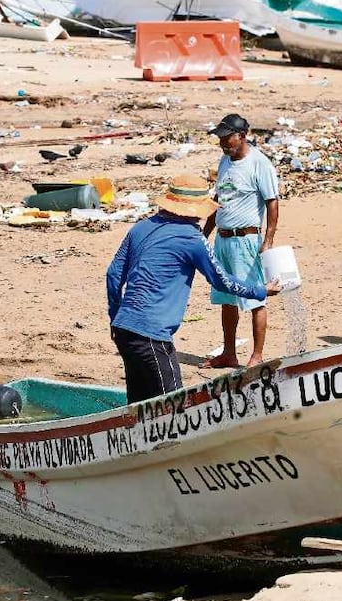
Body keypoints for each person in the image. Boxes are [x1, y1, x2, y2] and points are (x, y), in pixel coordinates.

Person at [107, 174, 282, 404]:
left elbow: (113, 275)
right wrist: (260, 290)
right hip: (152, 335)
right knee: (174, 407)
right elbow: (222, 281)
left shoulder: (140, 228)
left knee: (138, 404)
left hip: (123, 329)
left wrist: (115, 316)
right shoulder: (191, 238)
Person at [200, 113, 280, 369]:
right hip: (223, 240)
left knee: (256, 297)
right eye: (221, 139)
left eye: (227, 138)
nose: (223, 144)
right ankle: (229, 353)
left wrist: (267, 240)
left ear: (242, 136)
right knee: (226, 297)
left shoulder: (260, 164)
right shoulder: (225, 161)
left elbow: (272, 203)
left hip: (246, 240)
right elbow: (218, 200)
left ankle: (256, 355)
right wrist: (204, 234)